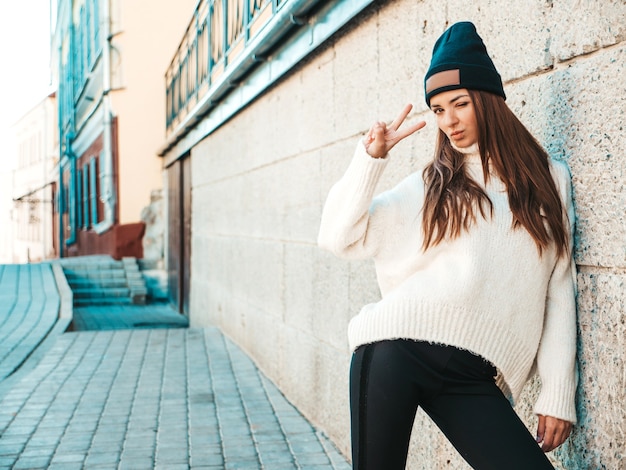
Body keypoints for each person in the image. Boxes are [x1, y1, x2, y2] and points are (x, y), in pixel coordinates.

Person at [317, 21, 577, 470]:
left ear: (490, 100)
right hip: (394, 352)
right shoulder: (432, 184)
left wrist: (558, 393)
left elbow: (559, 285)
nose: (449, 121)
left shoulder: (549, 179)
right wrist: (370, 160)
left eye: (459, 103)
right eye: (437, 109)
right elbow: (339, 237)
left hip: (474, 373)